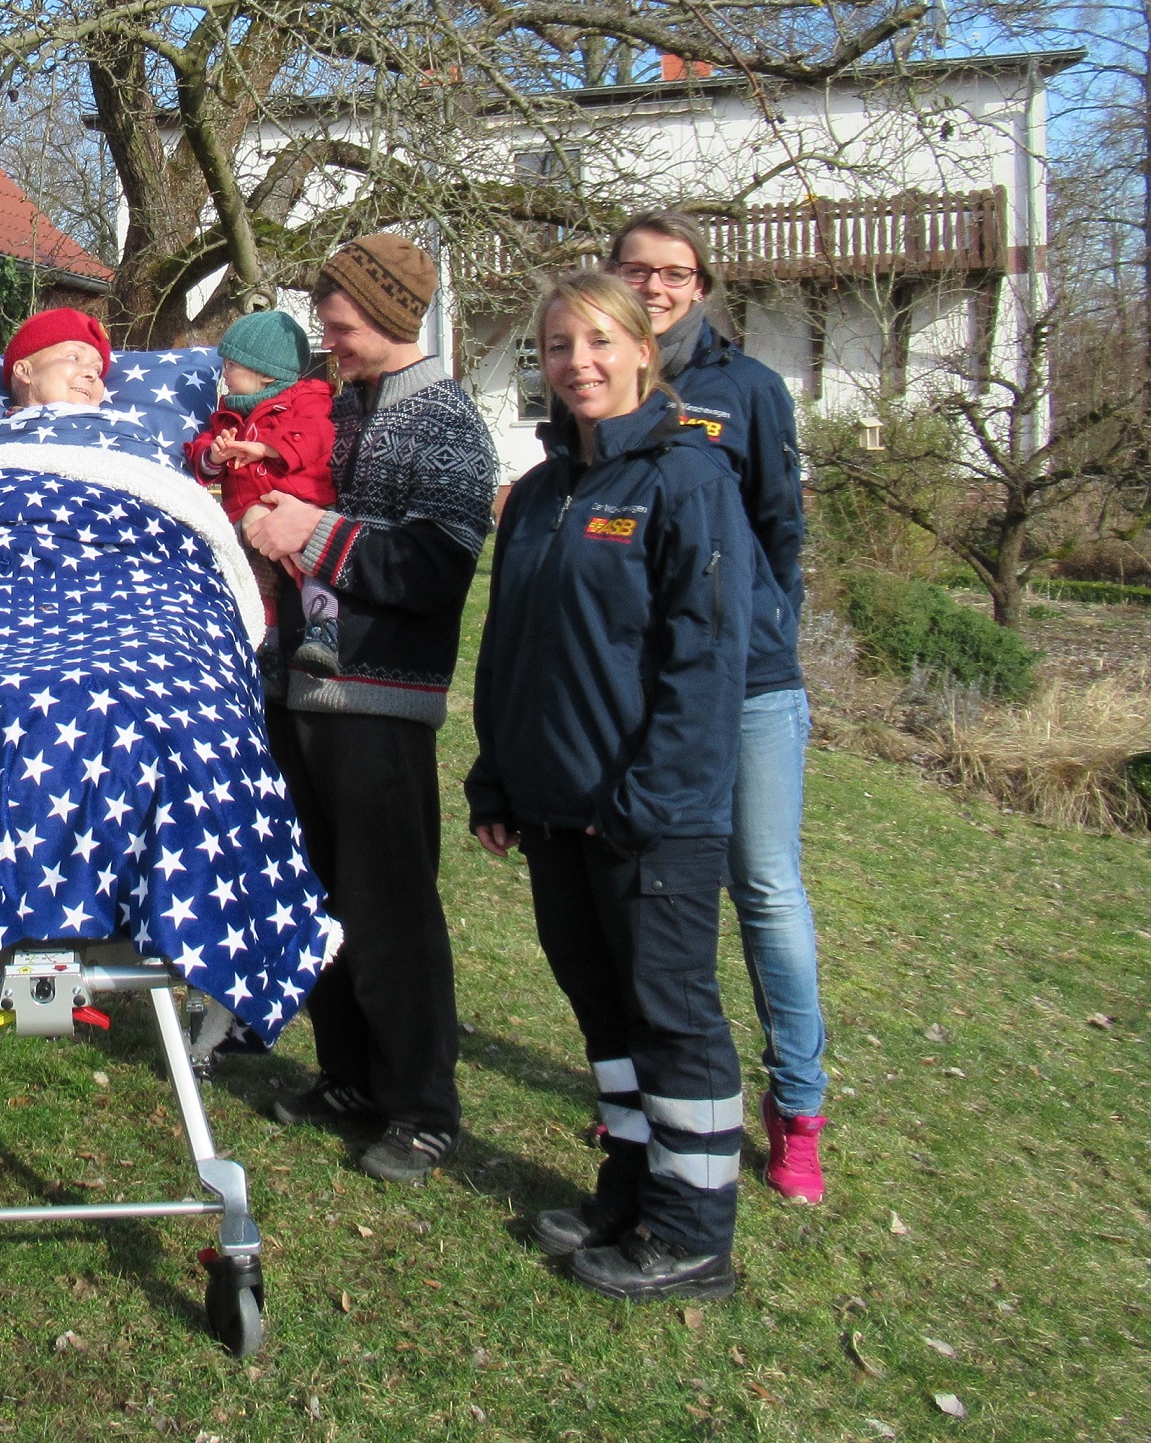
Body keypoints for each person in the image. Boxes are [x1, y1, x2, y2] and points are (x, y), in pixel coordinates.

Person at [466, 272, 754, 1302]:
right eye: (555, 346)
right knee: (605, 1019)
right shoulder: (541, 494)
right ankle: (628, 1189)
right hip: (553, 808)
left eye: (597, 341)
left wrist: (653, 799)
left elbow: (705, 664)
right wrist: (496, 775)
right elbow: (508, 647)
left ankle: (691, 1232)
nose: (576, 362)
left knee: (670, 1018)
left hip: (648, 820)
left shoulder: (687, 480)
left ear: (643, 350)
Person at [240, 233, 499, 1183]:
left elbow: (434, 570)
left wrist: (312, 533)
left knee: (389, 910)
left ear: (390, 318)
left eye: (342, 324)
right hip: (305, 688)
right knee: (323, 901)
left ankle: (423, 1109)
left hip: (380, 703)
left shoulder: (445, 421)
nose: (329, 339)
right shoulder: (344, 407)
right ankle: (348, 1075)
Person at [608, 211, 830, 1203]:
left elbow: (779, 528)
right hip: (644, 681)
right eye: (636, 270)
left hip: (749, 686)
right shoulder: (604, 382)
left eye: (674, 274)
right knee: (657, 890)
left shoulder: (748, 391)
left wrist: (752, 622)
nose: (655, 287)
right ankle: (678, 1087)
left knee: (766, 886)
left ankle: (800, 1106)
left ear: (701, 288)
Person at [183, 309, 340, 665]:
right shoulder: (228, 414)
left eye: (232, 366)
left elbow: (316, 436)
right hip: (248, 517)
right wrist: (215, 455)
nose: (225, 374)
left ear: (266, 373)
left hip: (297, 504)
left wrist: (265, 448)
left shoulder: (305, 400)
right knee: (256, 584)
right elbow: (200, 454)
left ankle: (324, 624)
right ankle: (265, 649)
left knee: (306, 563)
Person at [3, 306, 112, 408]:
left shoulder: (119, 425)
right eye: (74, 357)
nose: (92, 374)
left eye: (97, 370)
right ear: (24, 371)